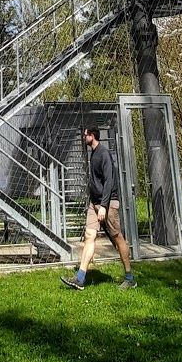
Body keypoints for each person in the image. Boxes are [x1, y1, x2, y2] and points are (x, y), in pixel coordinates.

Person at [62, 124, 135, 290]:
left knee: (118, 238)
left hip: (107, 204)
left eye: (85, 135)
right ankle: (80, 278)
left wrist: (103, 205)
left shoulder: (104, 154)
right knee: (89, 235)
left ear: (92, 136)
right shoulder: (93, 153)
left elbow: (109, 181)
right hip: (94, 203)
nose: (83, 137)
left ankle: (130, 277)